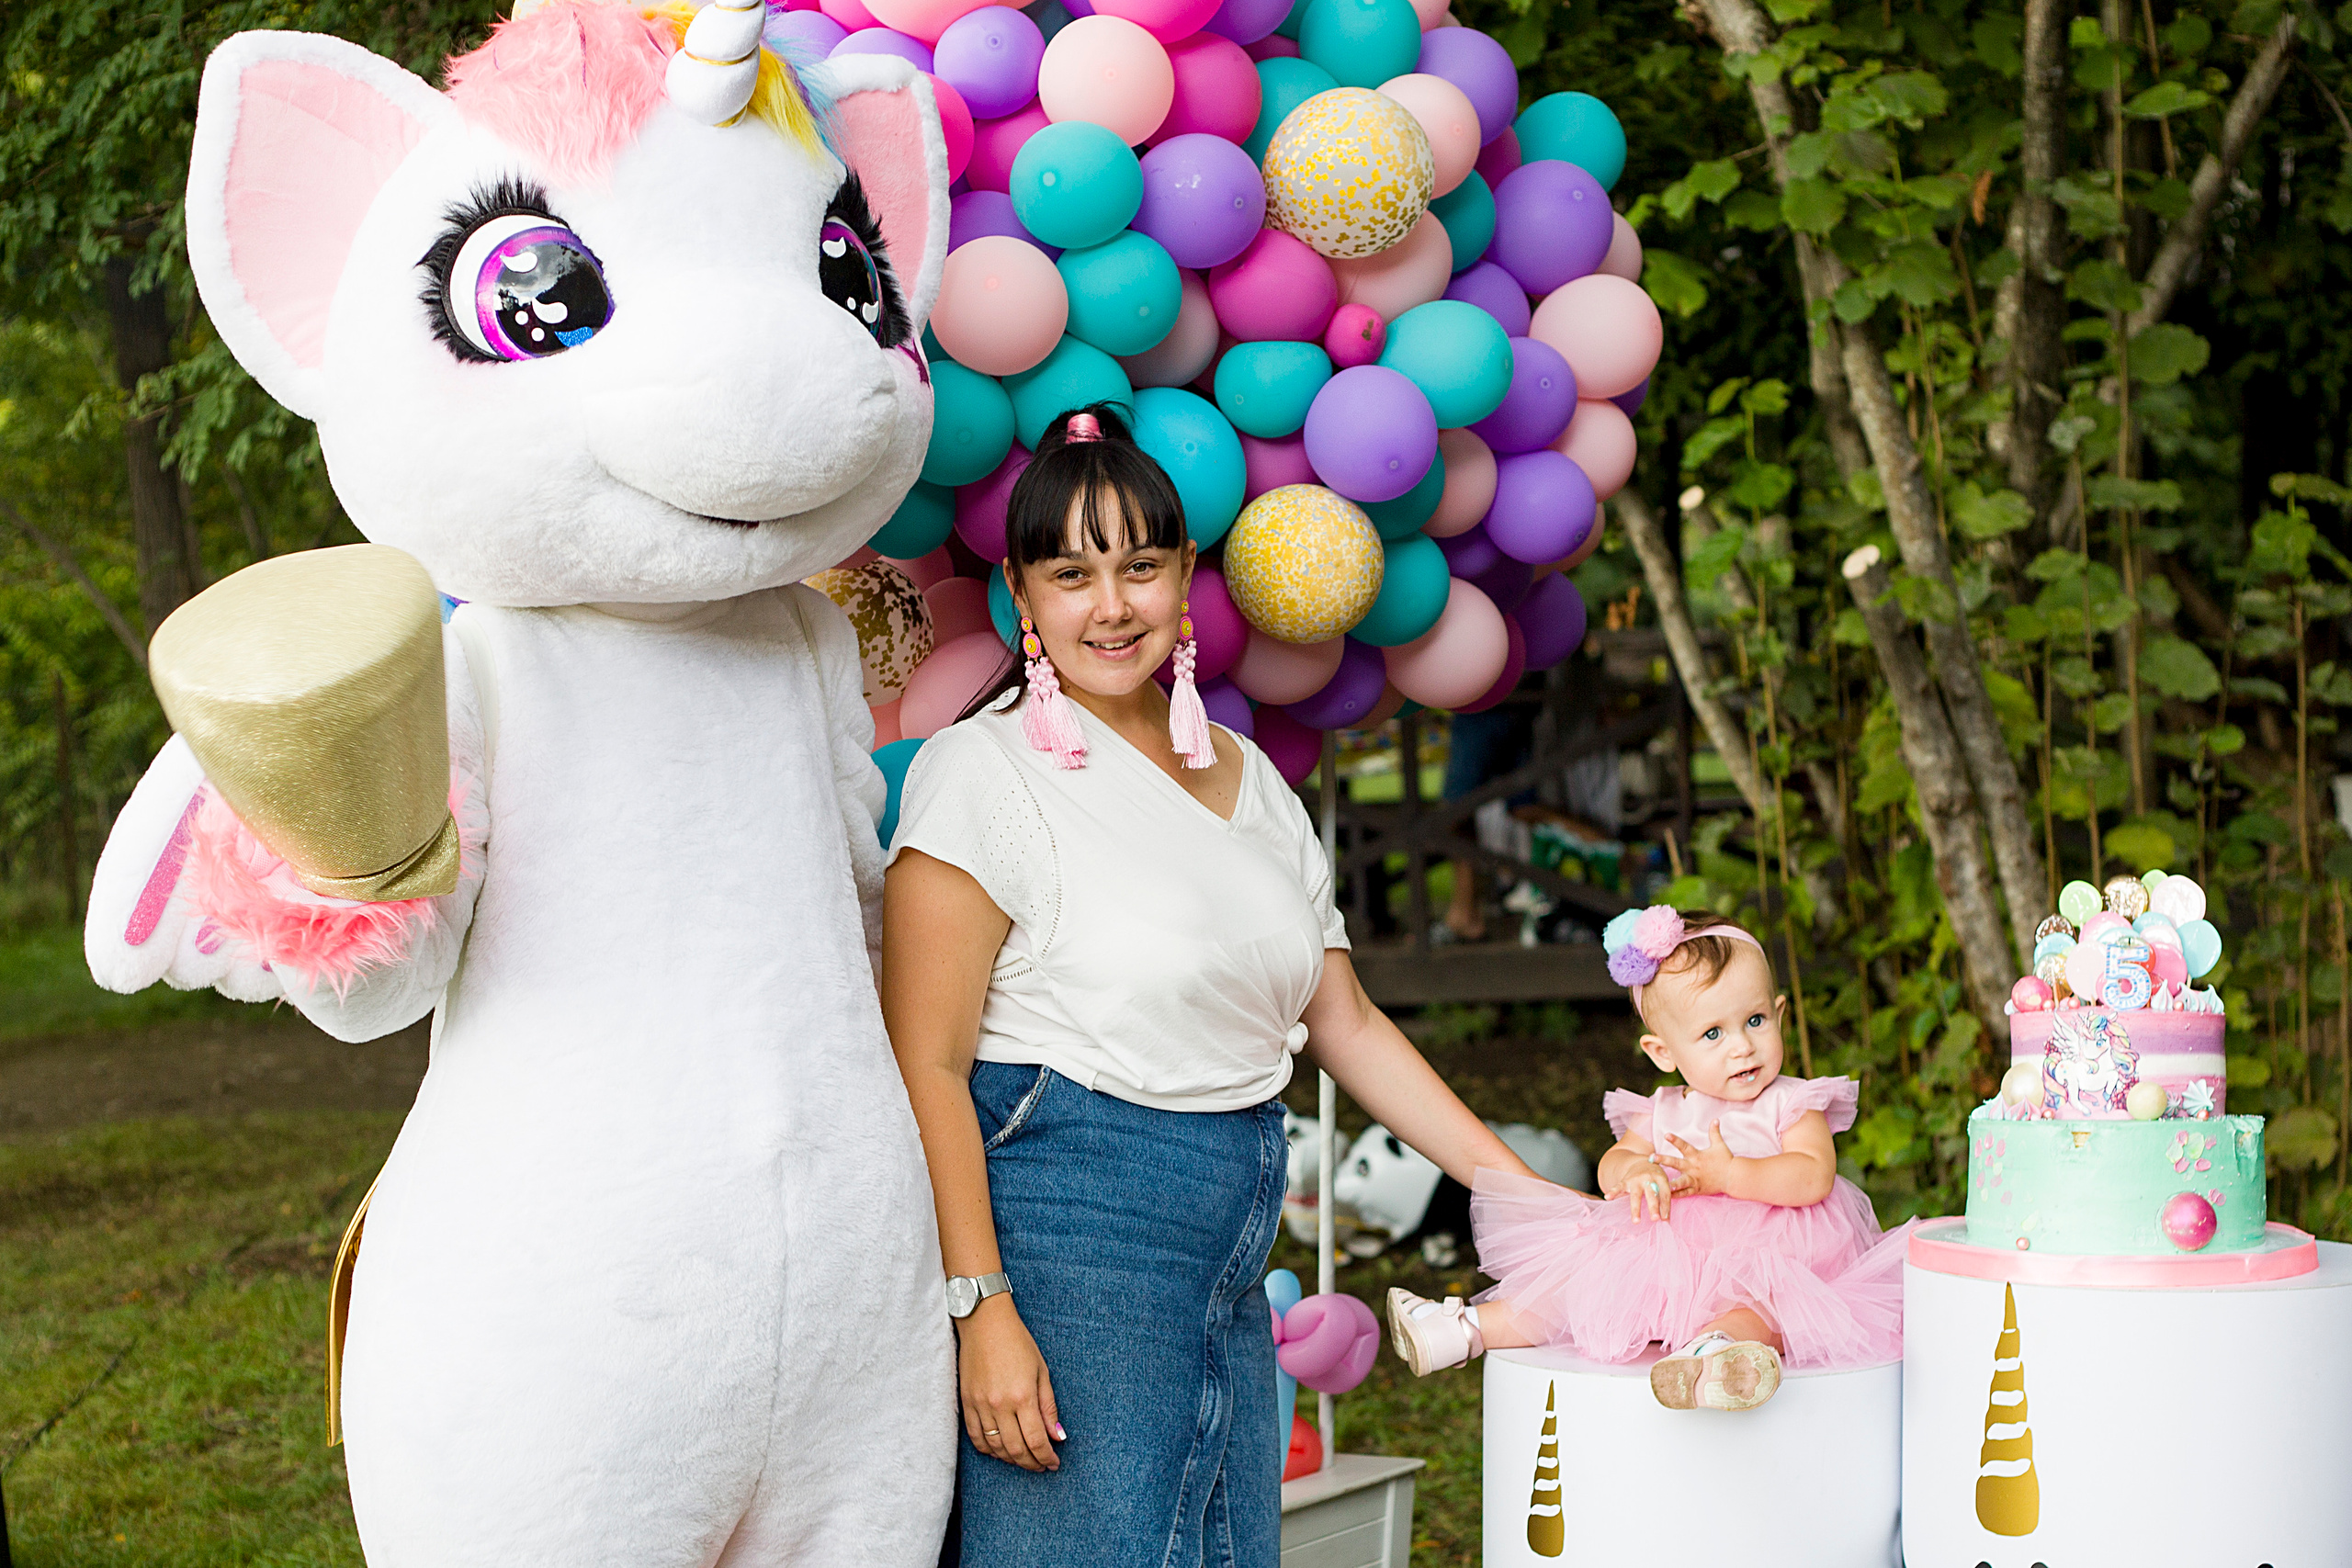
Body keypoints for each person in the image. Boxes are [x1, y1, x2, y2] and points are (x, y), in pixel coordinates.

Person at [881, 404, 1536, 1565]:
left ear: (1185, 576)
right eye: (1069, 574)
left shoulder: (1244, 779)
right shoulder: (978, 776)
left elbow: (1346, 1019)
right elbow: (924, 1065)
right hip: (1070, 1227)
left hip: (1232, 1225)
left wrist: (1524, 1198)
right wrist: (980, 1308)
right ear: (1022, 598)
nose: (1110, 604)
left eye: (1138, 566)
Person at [1385, 908, 1909, 1411]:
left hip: (1774, 1251)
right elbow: (1614, 1163)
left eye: (1754, 1021)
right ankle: (1464, 1329)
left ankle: (1716, 1357)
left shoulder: (1790, 1102)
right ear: (1663, 1052)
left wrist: (1732, 1174)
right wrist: (1634, 1171)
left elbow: (1813, 1175)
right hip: (1667, 1249)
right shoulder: (1664, 1109)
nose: (1742, 1047)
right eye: (1712, 1033)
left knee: (1762, 1306)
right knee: (1581, 1288)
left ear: (1779, 1015)